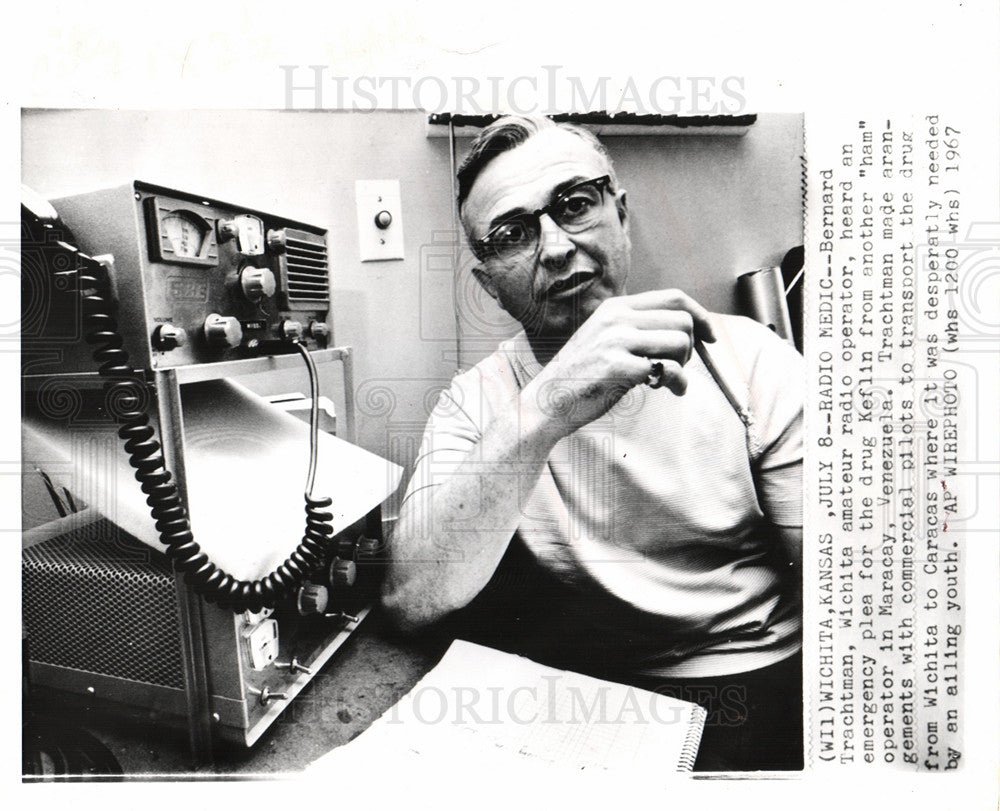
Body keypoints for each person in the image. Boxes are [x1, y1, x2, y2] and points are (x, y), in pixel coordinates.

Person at [381, 115, 804, 770]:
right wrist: (550, 402)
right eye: (514, 233)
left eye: (574, 205)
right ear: (490, 281)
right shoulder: (475, 401)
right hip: (582, 695)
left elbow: (856, 598)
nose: (553, 246)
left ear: (620, 214)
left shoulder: (755, 364)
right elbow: (412, 599)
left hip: (745, 679)